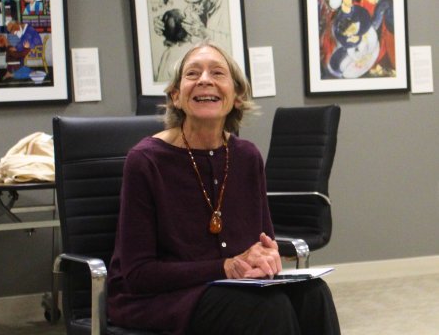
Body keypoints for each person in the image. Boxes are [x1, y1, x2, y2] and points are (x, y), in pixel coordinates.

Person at [107, 40, 340, 334]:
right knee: (268, 308)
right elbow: (138, 274)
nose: (205, 80)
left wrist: (266, 258)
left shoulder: (247, 156)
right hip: (157, 297)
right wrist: (226, 267)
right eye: (193, 74)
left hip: (230, 289)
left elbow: (262, 242)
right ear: (176, 97)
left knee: (314, 293)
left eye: (218, 73)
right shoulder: (145, 160)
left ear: (237, 98)